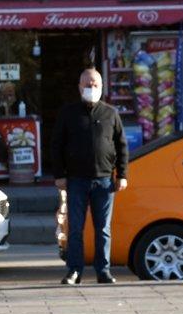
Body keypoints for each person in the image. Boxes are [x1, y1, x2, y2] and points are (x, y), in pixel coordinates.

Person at [51, 67, 128, 285]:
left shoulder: (111, 113)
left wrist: (122, 174)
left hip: (104, 181)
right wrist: (59, 175)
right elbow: (56, 145)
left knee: (103, 229)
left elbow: (121, 146)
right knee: (76, 229)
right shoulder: (68, 113)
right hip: (76, 180)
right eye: (87, 85)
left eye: (95, 85)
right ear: (79, 87)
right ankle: (74, 270)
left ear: (102, 87)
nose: (91, 88)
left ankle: (103, 271)